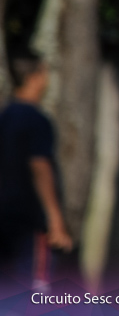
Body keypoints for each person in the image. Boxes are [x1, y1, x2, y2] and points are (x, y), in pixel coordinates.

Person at [0, 50, 73, 289]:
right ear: (35, 76)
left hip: (5, 219)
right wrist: (54, 219)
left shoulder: (5, 116)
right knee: (34, 291)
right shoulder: (36, 119)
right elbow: (39, 166)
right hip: (29, 224)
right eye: (45, 72)